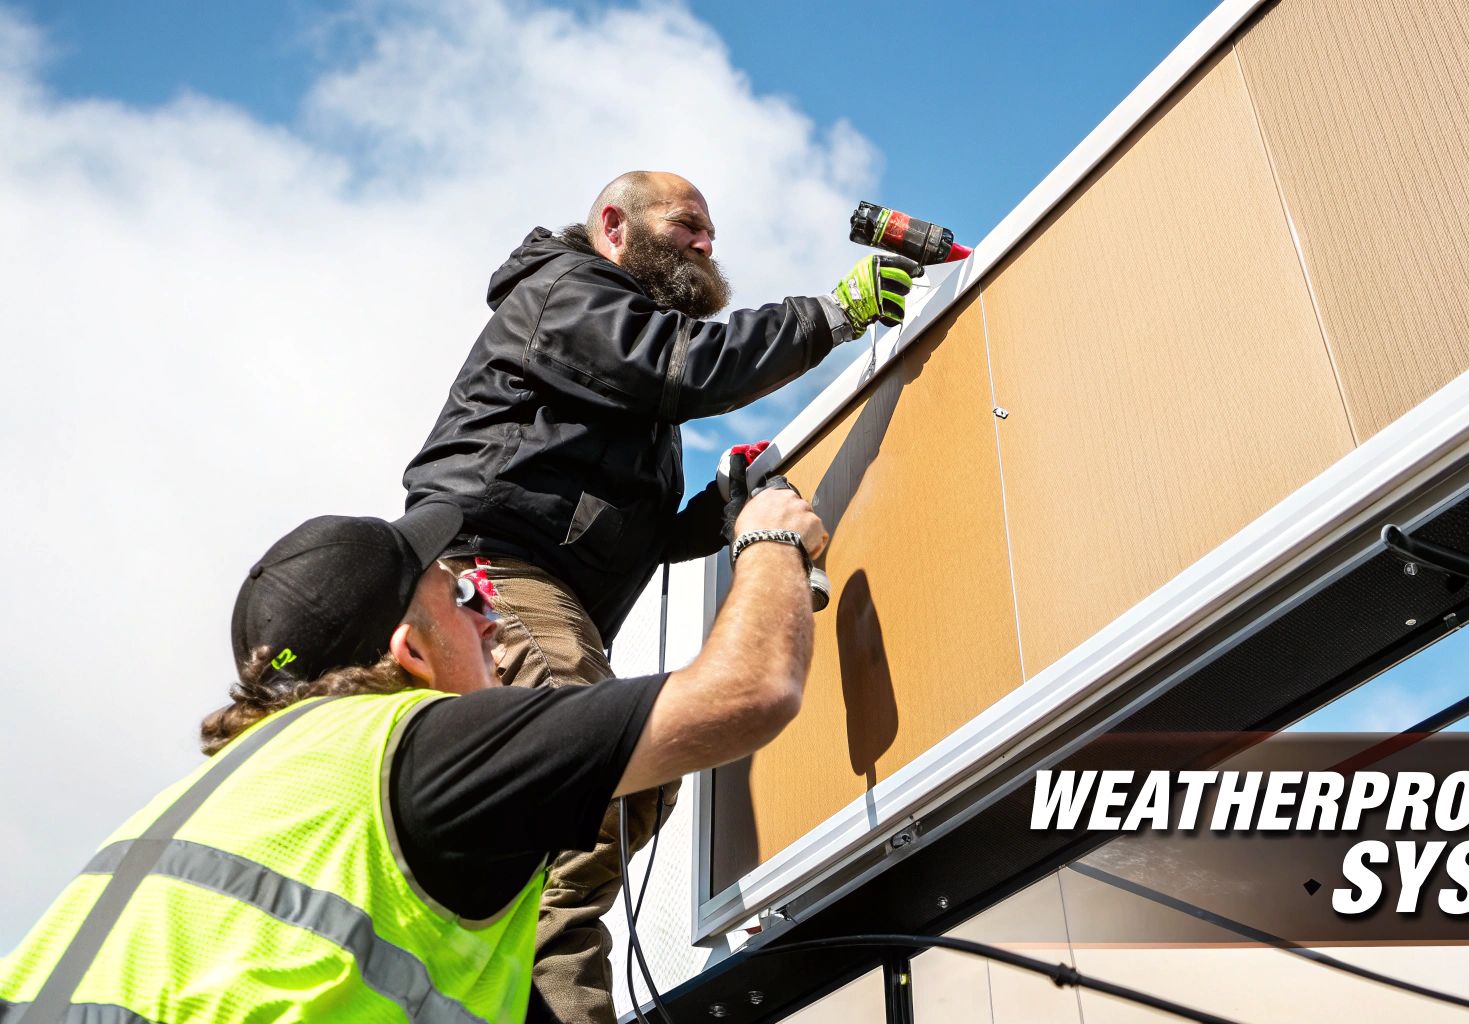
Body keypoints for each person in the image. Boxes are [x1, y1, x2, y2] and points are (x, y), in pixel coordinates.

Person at [0, 483, 826, 1023]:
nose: (494, 624)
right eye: (462, 598)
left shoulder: (207, 806)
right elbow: (747, 690)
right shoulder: (411, 742)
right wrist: (769, 542)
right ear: (412, 654)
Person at [400, 170, 919, 1019]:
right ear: (614, 224)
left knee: (632, 785)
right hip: (488, 580)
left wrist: (720, 509)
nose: (707, 244)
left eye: (710, 232)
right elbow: (683, 364)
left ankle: (479, 971)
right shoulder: (567, 292)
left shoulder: (627, 392)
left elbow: (635, 529)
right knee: (587, 797)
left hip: (542, 599)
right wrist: (830, 316)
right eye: (687, 225)